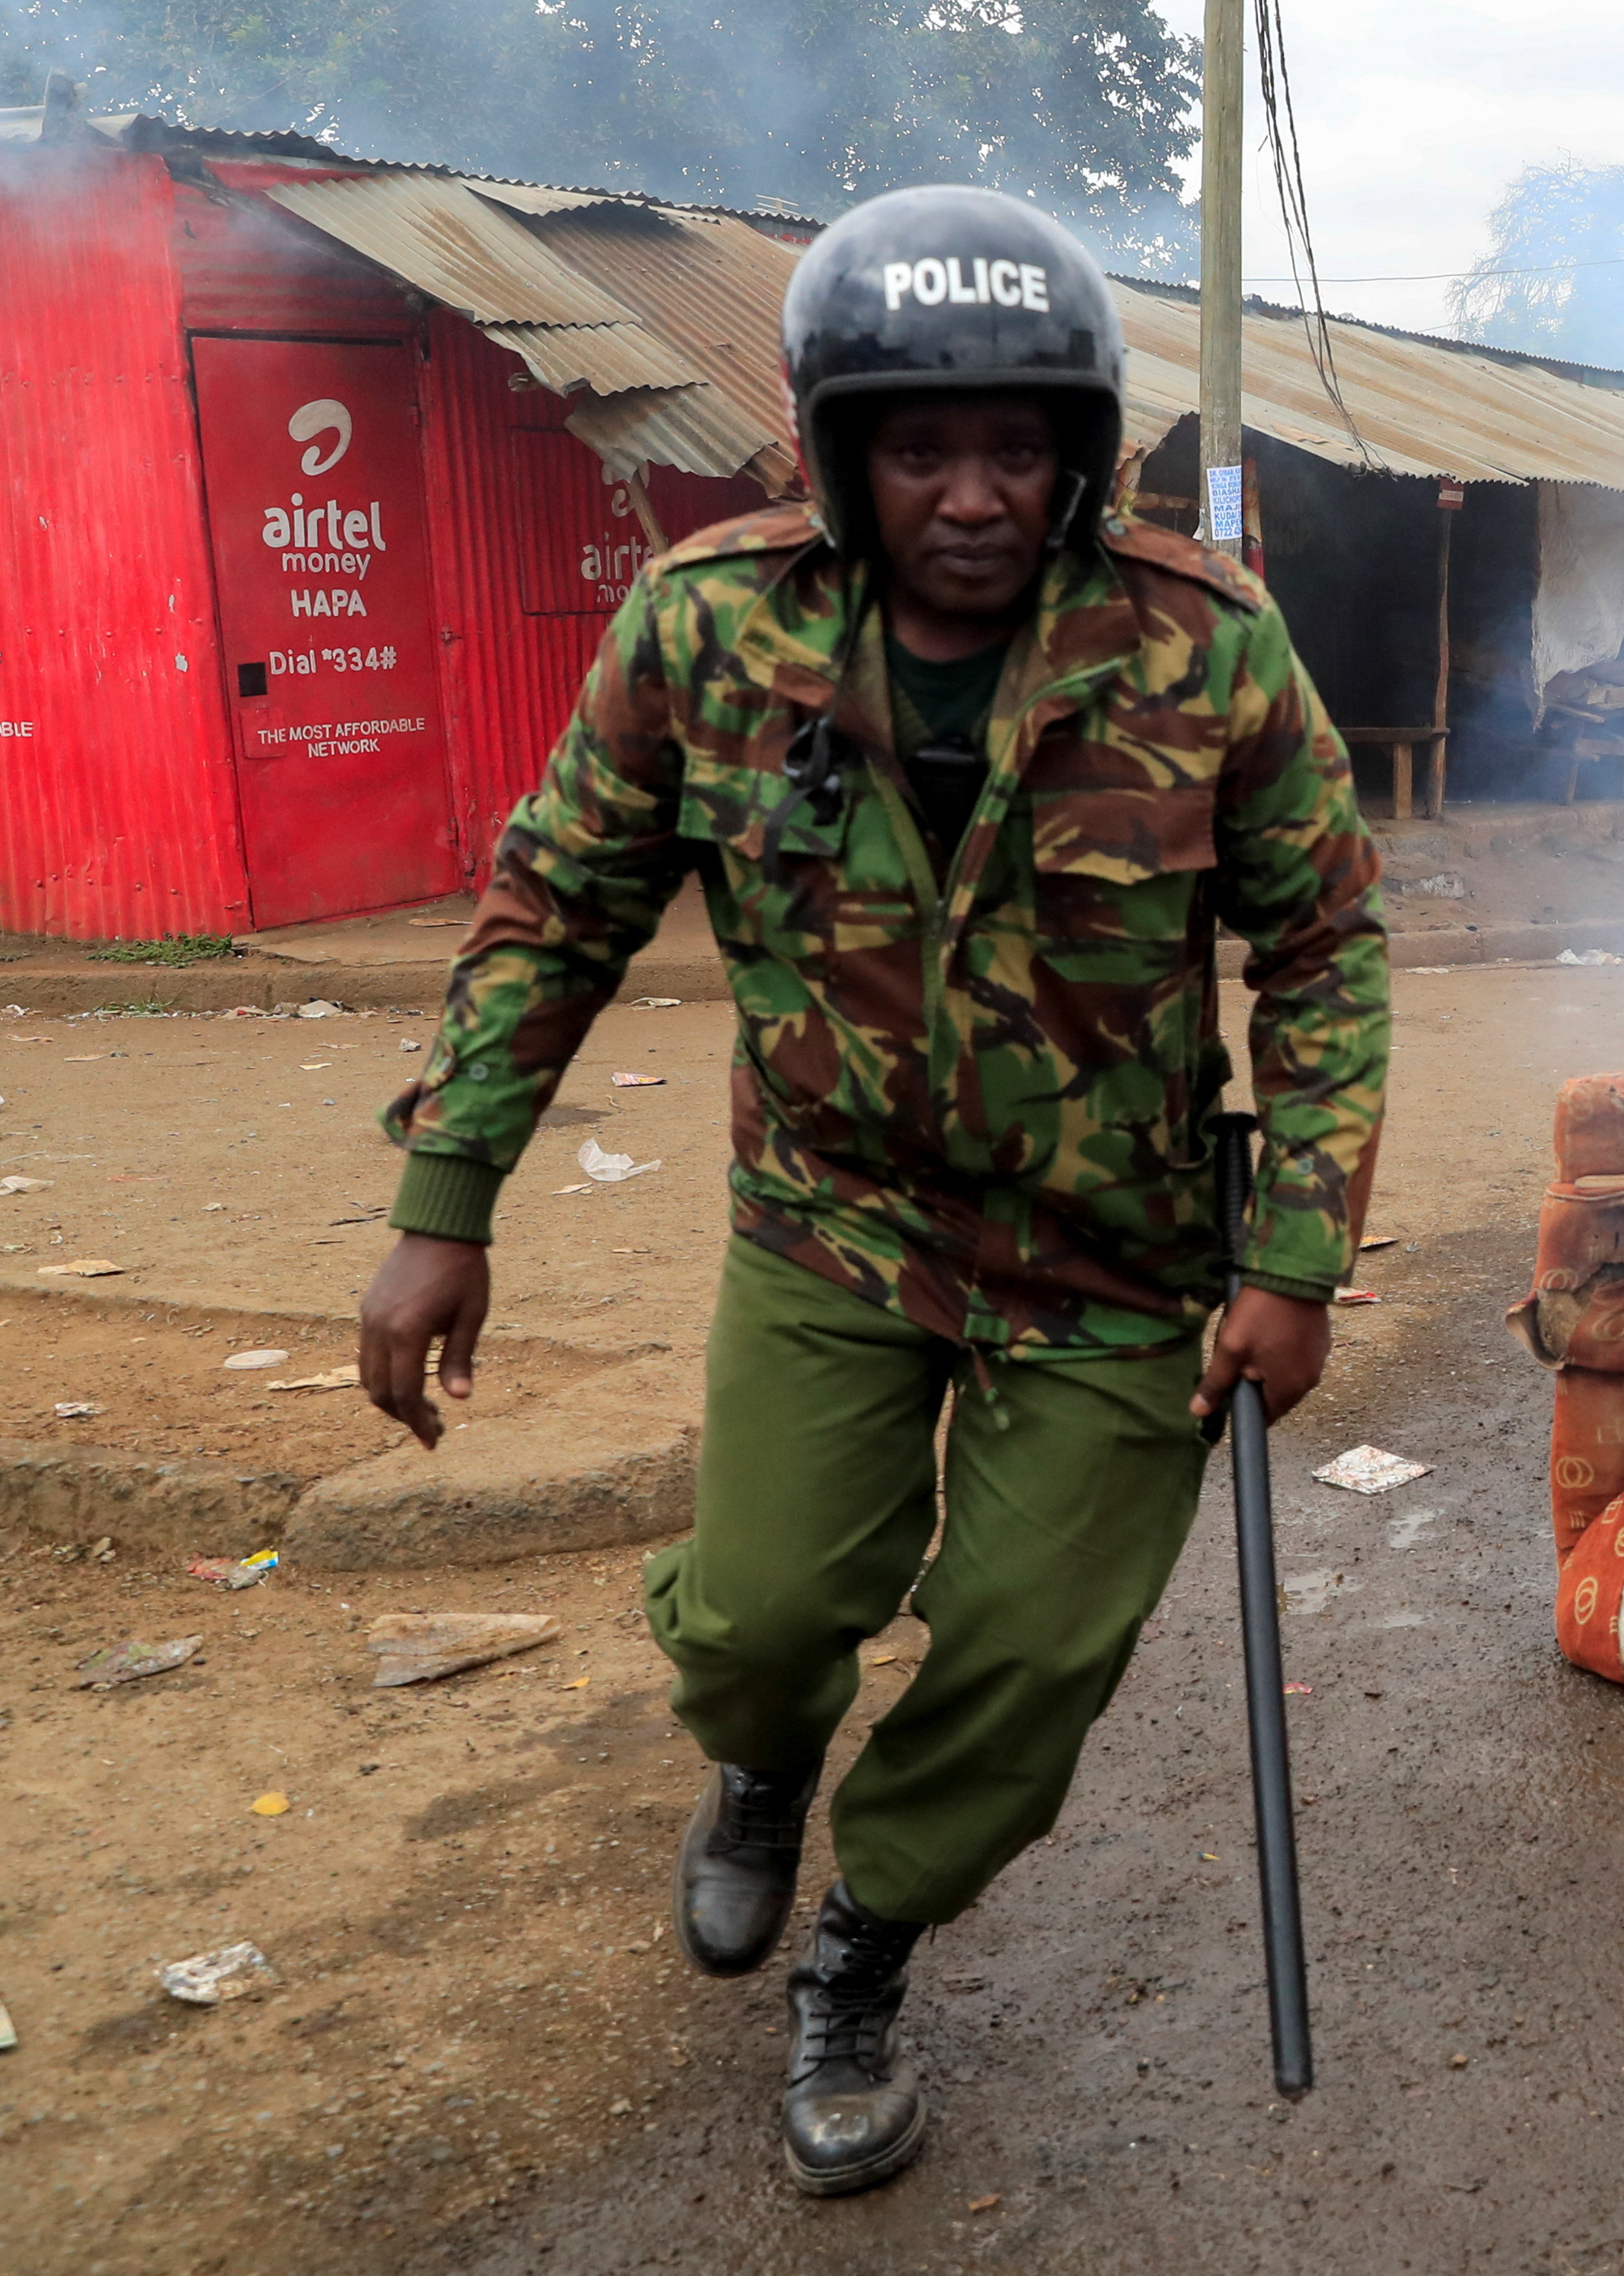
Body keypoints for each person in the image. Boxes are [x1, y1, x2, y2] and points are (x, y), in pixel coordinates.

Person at [354, 185, 1388, 2199]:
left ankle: (864, 1952)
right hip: (831, 1230)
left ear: (1082, 455)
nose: (977, 494)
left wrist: (1297, 1255)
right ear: (842, 453)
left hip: (1114, 1265)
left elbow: (1329, 946)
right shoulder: (706, 626)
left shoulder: (1205, 652)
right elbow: (556, 904)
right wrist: (446, 1196)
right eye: (925, 449)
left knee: (1023, 1655)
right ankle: (759, 1759)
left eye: (1018, 447)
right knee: (758, 1617)